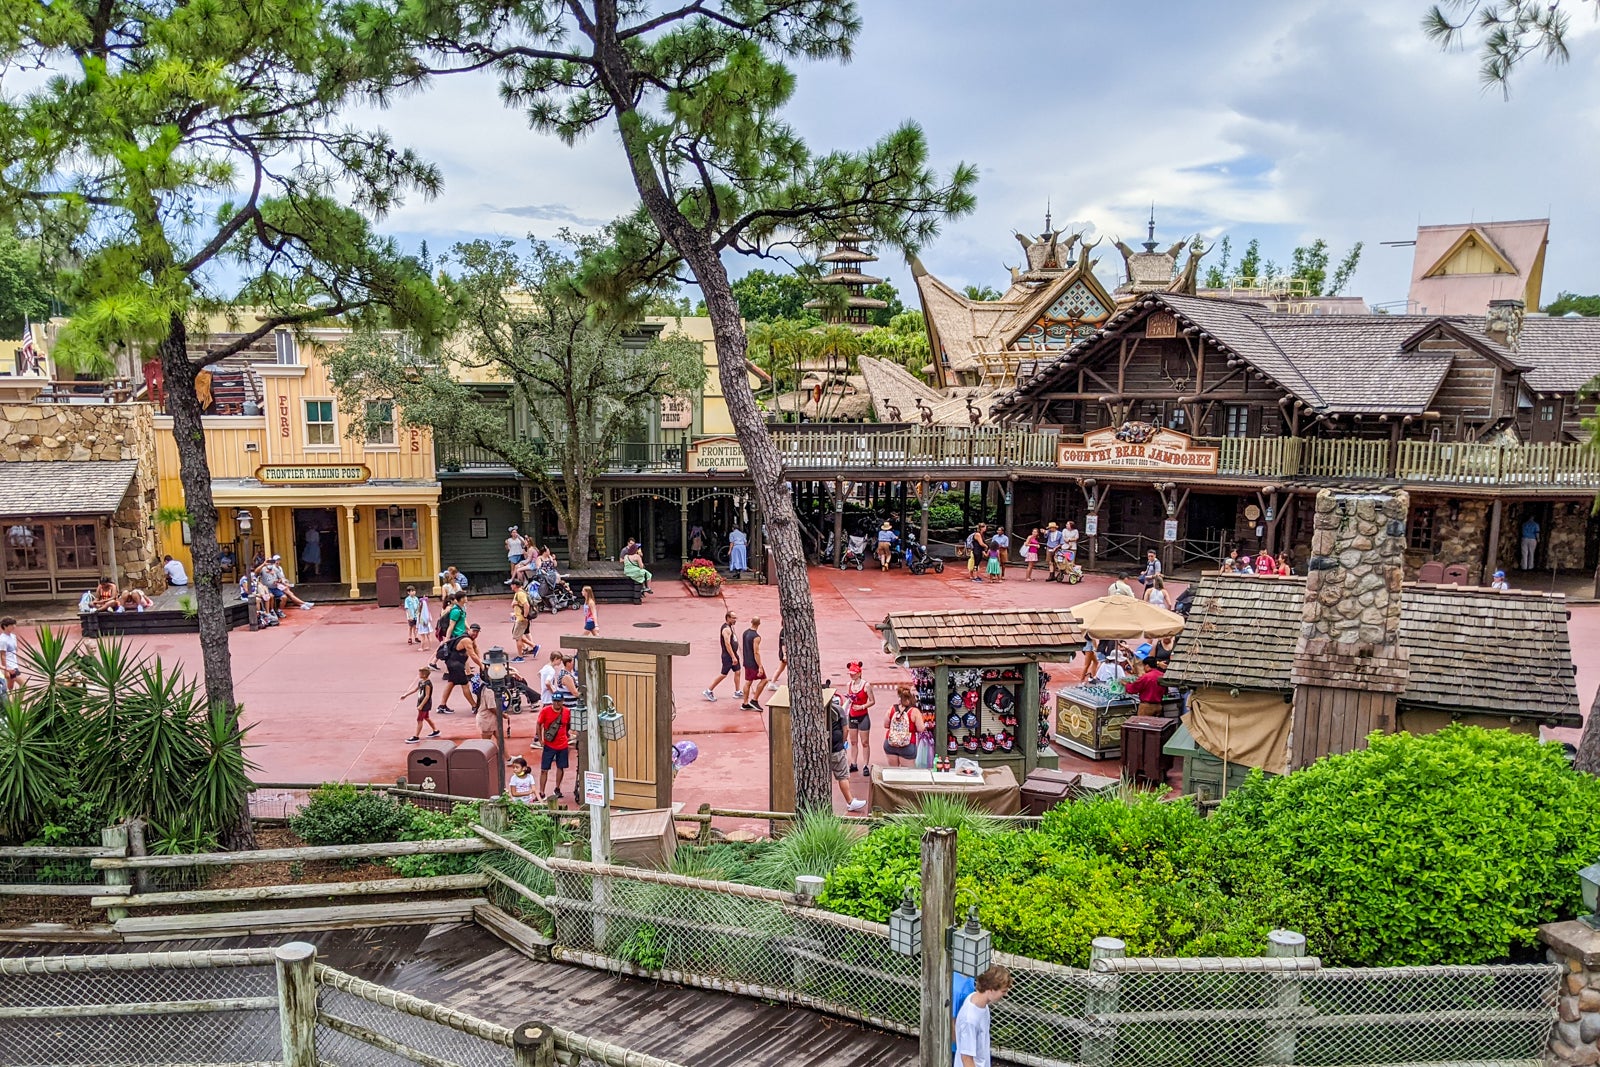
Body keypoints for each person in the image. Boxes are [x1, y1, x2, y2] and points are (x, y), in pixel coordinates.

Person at [955, 965, 1013, 1067]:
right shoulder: (970, 1020)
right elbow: (967, 1059)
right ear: (990, 989)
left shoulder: (978, 1003)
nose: (1005, 995)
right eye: (1003, 991)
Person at [827, 692, 868, 812]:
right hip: (836, 749)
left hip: (823, 749)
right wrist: (843, 743)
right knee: (843, 776)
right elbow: (846, 730)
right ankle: (850, 801)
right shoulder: (838, 710)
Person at [438, 623, 483, 714]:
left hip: (453, 663)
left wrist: (481, 661)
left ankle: (442, 706)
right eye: (474, 631)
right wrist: (481, 666)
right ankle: (474, 706)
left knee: (451, 683)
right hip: (455, 664)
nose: (475, 633)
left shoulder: (471, 639)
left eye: (477, 632)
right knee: (465, 684)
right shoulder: (466, 640)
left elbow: (476, 649)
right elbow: (473, 655)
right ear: (469, 630)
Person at [535, 692, 573, 802]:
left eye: (559, 701)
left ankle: (557, 788)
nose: (557, 703)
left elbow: (568, 724)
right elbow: (539, 724)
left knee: (561, 767)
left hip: (562, 745)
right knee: (544, 769)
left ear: (562, 701)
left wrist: (566, 735)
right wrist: (541, 739)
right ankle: (542, 792)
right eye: (555, 701)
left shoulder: (566, 712)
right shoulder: (545, 711)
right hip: (549, 745)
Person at [703, 610, 744, 702]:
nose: (735, 620)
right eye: (733, 618)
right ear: (728, 618)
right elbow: (727, 644)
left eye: (735, 618)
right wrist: (733, 657)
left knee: (738, 671)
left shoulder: (730, 627)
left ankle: (737, 691)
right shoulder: (726, 629)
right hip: (728, 656)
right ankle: (709, 690)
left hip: (734, 654)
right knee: (723, 674)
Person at [845, 660, 874, 776]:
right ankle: (854, 763)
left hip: (863, 715)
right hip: (852, 715)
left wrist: (862, 706)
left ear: (859, 673)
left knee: (865, 742)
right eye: (850, 673)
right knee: (853, 741)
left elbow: (872, 701)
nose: (851, 675)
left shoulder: (866, 685)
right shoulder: (849, 685)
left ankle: (866, 764)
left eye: (853, 673)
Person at [882, 685, 922, 767]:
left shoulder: (892, 709)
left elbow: (886, 725)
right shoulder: (914, 711)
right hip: (907, 744)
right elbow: (921, 728)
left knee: (893, 771)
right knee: (907, 775)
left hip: (891, 743)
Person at [401, 664, 440, 744]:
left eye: (420, 673)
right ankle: (435, 730)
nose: (419, 675)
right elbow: (415, 690)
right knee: (426, 717)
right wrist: (406, 695)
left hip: (425, 704)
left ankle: (416, 736)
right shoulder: (421, 682)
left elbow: (427, 696)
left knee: (419, 720)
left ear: (424, 674)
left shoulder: (427, 684)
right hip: (421, 702)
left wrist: (422, 705)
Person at [740, 616, 769, 711]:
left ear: (751, 622)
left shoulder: (745, 633)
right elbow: (756, 652)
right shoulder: (756, 637)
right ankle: (754, 700)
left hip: (746, 661)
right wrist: (760, 666)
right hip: (753, 663)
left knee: (748, 681)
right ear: (759, 624)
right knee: (764, 680)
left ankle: (745, 703)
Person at [509, 578, 537, 658]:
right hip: (519, 617)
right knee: (519, 636)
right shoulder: (519, 593)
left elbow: (526, 605)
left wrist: (524, 616)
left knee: (518, 638)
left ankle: (520, 656)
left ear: (515, 585)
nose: (511, 586)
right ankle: (534, 646)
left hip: (521, 619)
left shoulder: (520, 594)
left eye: (512, 585)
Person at [0, 617, 20, 694]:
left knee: (10, 687)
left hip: (15, 665)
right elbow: (3, 656)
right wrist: (6, 670)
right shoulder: (2, 640)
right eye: (11, 625)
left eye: (14, 624)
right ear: (5, 626)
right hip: (10, 667)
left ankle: (11, 703)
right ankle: (18, 703)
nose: (14, 626)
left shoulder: (13, 636)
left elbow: (15, 651)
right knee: (23, 684)